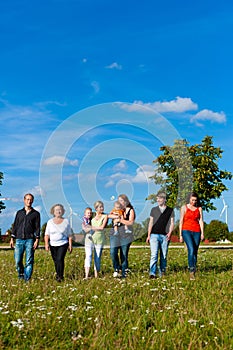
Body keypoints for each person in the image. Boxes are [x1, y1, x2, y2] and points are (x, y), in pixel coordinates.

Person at [10, 193, 40, 281]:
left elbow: (37, 227)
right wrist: (12, 238)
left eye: (30, 199)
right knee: (17, 261)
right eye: (27, 199)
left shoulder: (36, 214)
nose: (29, 201)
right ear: (24, 200)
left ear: (33, 201)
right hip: (19, 240)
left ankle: (27, 280)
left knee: (29, 261)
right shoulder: (19, 213)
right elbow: (15, 226)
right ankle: (21, 275)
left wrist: (37, 239)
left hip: (30, 240)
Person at [146, 191, 174, 278]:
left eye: (160, 198)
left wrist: (170, 233)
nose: (158, 200)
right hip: (154, 235)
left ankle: (162, 272)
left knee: (164, 255)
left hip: (164, 235)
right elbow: (150, 222)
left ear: (164, 199)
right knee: (154, 254)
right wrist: (148, 235)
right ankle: (152, 273)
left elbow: (172, 223)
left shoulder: (170, 210)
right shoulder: (153, 210)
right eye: (157, 198)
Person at [179, 192, 204, 280]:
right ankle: (191, 270)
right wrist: (180, 235)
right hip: (186, 230)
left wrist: (202, 233)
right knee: (191, 249)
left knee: (195, 251)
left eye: (195, 200)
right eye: (192, 200)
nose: (194, 202)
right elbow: (181, 221)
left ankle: (194, 267)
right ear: (189, 199)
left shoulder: (199, 209)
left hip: (196, 231)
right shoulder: (184, 207)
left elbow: (201, 221)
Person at [109, 194, 135, 278]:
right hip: (115, 234)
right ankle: (116, 268)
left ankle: (124, 272)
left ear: (125, 201)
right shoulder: (116, 209)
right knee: (113, 252)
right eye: (119, 200)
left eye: (121, 200)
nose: (119, 202)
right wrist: (115, 216)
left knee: (123, 254)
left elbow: (131, 222)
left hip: (125, 235)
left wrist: (120, 219)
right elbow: (109, 215)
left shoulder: (130, 210)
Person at [44, 204, 72, 282]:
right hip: (53, 244)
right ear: (53, 212)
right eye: (56, 210)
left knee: (60, 259)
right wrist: (46, 244)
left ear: (62, 211)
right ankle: (58, 274)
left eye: (60, 210)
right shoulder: (50, 222)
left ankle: (60, 277)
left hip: (63, 243)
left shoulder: (66, 221)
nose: (58, 211)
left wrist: (70, 245)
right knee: (56, 260)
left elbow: (69, 234)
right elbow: (46, 234)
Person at [82, 201, 108, 279]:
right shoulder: (92, 216)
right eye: (100, 207)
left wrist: (91, 227)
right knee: (88, 255)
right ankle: (86, 275)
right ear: (96, 208)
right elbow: (85, 223)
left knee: (97, 257)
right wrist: (85, 226)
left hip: (99, 239)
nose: (102, 208)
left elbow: (102, 227)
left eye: (102, 207)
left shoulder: (105, 216)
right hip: (90, 239)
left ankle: (96, 276)